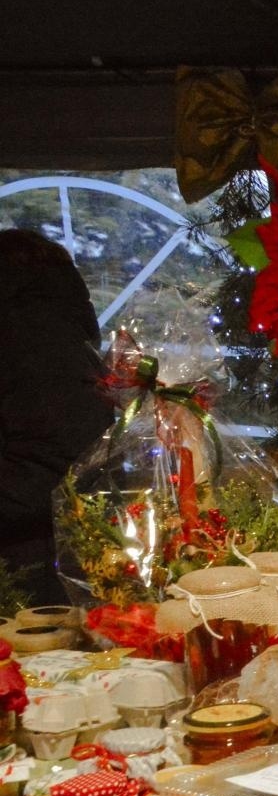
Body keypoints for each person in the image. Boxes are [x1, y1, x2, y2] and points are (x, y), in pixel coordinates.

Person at [0, 228, 113, 605]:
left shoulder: (29, 335)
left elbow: (54, 462)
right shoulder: (56, 333)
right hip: (54, 554)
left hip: (29, 569)